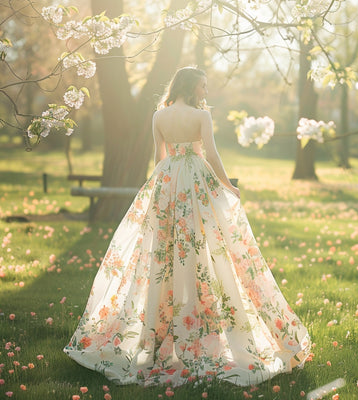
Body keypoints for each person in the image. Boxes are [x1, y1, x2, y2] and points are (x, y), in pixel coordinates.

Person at [64, 67, 311, 387]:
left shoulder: (158, 116)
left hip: (167, 181)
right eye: (204, 87)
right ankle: (196, 329)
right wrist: (227, 186)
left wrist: (158, 189)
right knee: (199, 250)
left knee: (164, 254)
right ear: (192, 86)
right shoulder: (200, 116)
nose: (206, 92)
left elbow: (159, 156)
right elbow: (209, 153)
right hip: (195, 181)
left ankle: (167, 332)